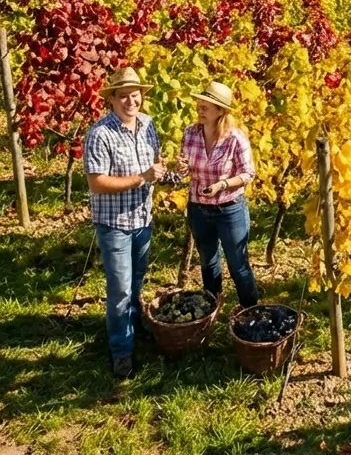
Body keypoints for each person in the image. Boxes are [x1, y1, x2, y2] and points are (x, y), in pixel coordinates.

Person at [83, 67, 165, 378]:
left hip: (143, 218)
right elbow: (97, 183)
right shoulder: (100, 134)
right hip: (114, 222)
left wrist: (167, 172)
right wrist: (141, 178)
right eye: (123, 96)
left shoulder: (147, 125)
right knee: (119, 288)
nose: (131, 101)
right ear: (112, 100)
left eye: (135, 95)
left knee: (136, 281)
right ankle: (121, 350)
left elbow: (154, 166)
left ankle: (132, 325)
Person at [177, 82, 259, 309]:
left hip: (229, 208)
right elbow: (186, 168)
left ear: (221, 111)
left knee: (238, 264)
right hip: (198, 208)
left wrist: (222, 185)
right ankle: (212, 308)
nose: (200, 110)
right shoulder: (190, 134)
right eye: (199, 105)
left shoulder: (235, 138)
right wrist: (183, 168)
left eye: (206, 107)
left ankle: (250, 310)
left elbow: (248, 173)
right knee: (208, 261)